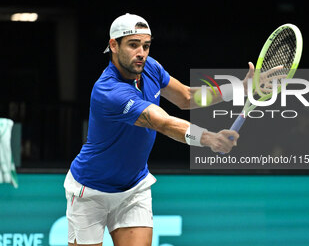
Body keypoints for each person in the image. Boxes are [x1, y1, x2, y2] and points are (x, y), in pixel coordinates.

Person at [64, 13, 254, 246]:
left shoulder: (149, 67)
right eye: (133, 45)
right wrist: (208, 138)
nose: (141, 53)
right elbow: (162, 122)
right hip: (91, 191)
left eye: (146, 46)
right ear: (113, 45)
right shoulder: (109, 91)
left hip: (133, 188)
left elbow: (186, 96)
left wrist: (239, 89)